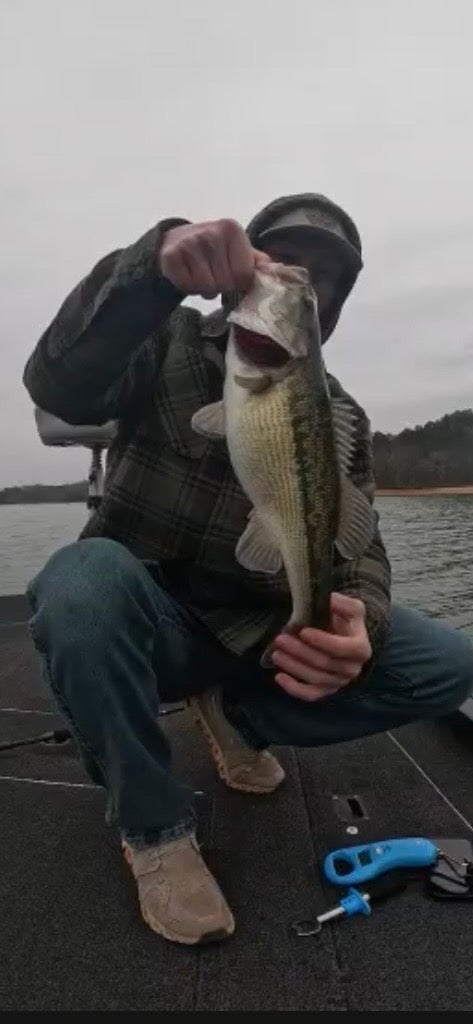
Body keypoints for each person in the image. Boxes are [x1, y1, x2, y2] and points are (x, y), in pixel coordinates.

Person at [23, 193, 473, 946]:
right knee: (79, 584)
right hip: (152, 629)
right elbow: (58, 383)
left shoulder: (341, 416)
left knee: (448, 664)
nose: (300, 277)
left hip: (258, 634)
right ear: (240, 270)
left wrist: (359, 624)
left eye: (322, 277)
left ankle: (237, 720)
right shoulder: (162, 336)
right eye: (283, 258)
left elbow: (359, 547)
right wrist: (152, 268)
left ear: (330, 310)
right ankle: (155, 829)